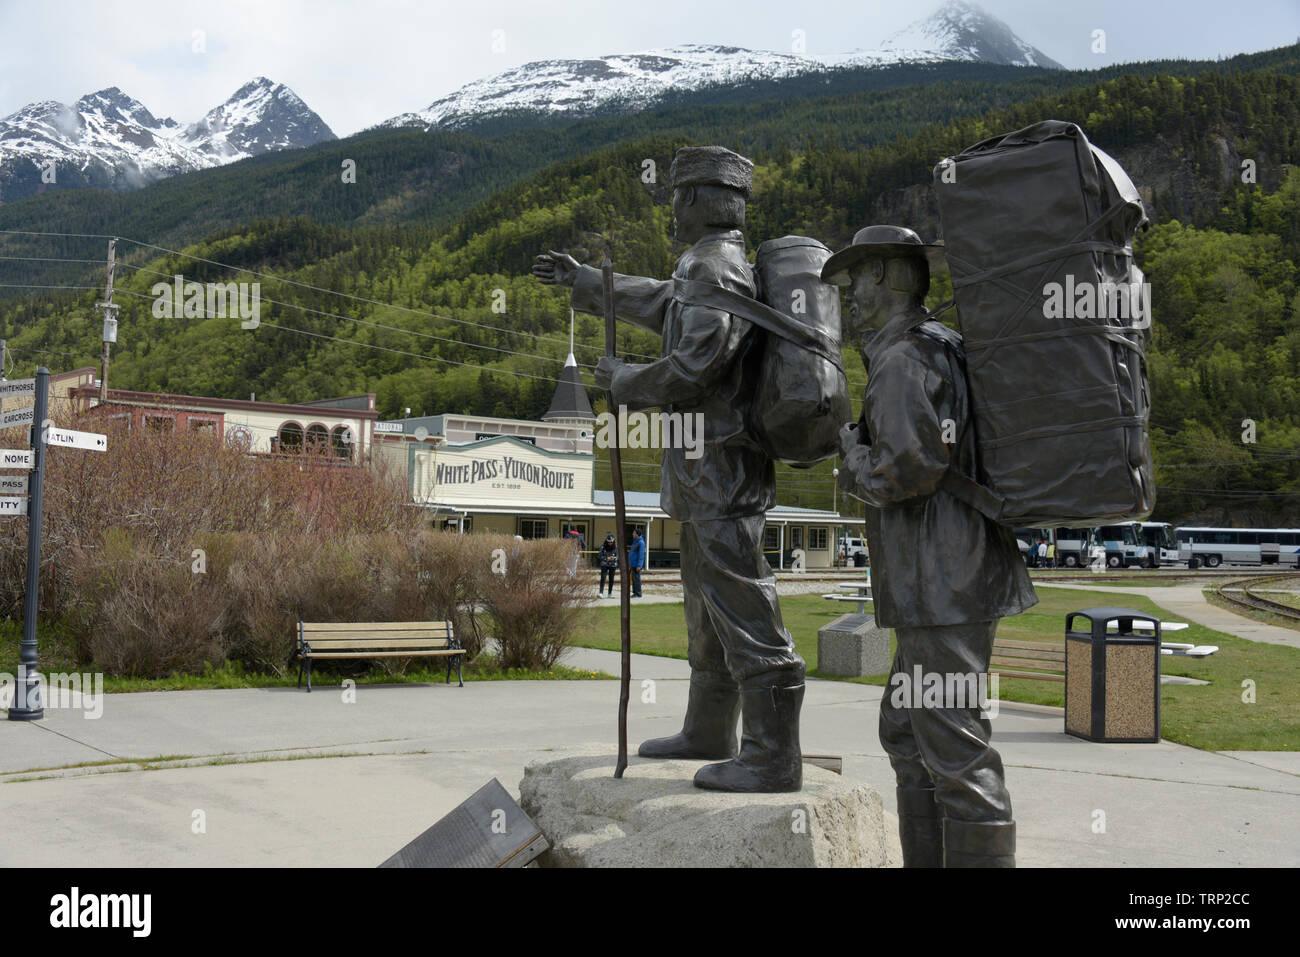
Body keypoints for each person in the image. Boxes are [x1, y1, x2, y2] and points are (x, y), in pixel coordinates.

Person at [533, 145, 805, 792]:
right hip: (702, 468)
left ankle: (773, 754)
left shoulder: (720, 270)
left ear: (700, 202)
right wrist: (588, 283)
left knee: (741, 602)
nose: (671, 211)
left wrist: (627, 379)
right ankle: (710, 728)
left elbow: (694, 366)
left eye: (679, 199)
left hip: (723, 468)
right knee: (705, 605)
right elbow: (662, 301)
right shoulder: (702, 267)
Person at [827, 224, 1037, 867]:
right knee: (905, 729)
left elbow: (905, 472)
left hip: (941, 582)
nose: (851, 293)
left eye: (859, 278)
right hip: (953, 576)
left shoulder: (900, 359)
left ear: (889, 276)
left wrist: (849, 453)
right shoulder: (941, 345)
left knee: (954, 746)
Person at [598, 533, 618, 597]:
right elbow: (599, 556)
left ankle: (610, 593)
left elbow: (618, 556)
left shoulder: (616, 547)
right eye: (609, 542)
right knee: (603, 578)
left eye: (611, 542)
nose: (610, 543)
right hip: (604, 564)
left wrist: (614, 558)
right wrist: (606, 558)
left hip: (613, 565)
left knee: (611, 579)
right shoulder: (603, 547)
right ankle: (601, 592)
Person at [628, 528, 646, 598]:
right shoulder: (635, 542)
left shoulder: (641, 543)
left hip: (636, 565)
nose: (632, 534)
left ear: (637, 534)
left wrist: (639, 565)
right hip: (632, 564)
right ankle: (635, 592)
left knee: (637, 579)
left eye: (634, 533)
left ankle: (638, 593)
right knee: (633, 579)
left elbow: (641, 555)